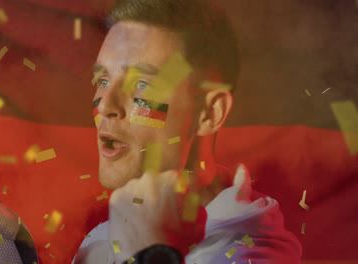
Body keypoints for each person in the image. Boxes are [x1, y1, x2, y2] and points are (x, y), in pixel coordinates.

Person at [73, 0, 302, 263]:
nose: (105, 105)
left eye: (141, 85)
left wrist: (151, 254)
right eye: (103, 80)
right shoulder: (98, 242)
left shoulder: (252, 255)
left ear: (209, 113)